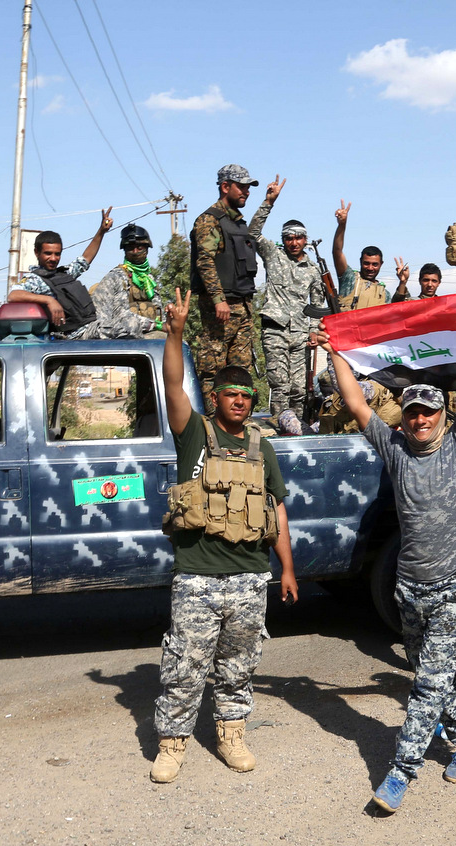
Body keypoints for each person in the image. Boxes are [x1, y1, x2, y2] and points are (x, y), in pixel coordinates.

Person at [319, 291, 456, 813]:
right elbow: (355, 403)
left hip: (451, 586)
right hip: (408, 588)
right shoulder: (394, 450)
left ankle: (401, 771)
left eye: (428, 411)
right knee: (435, 677)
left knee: (424, 688)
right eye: (413, 412)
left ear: (442, 415)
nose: (420, 419)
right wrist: (335, 353)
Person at [151, 288, 298, 784]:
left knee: (239, 664)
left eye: (246, 396)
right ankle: (172, 744)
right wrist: (174, 334)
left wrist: (288, 569)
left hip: (250, 578)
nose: (239, 401)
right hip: (197, 576)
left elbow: (275, 510)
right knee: (184, 664)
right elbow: (173, 385)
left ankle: (231, 732)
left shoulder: (262, 447)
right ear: (215, 399)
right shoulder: (193, 432)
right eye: (231, 395)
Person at [248, 175, 325, 423]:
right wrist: (269, 201)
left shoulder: (313, 270)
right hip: (276, 328)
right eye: (289, 238)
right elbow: (253, 233)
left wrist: (314, 332)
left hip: (301, 333)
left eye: (298, 237)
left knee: (299, 389)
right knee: (279, 385)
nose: (294, 242)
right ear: (283, 240)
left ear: (305, 239)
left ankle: (299, 429)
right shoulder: (274, 255)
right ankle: (280, 425)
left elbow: (317, 305)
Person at [189, 165, 262, 404]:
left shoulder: (238, 223)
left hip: (243, 306)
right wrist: (219, 300)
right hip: (221, 309)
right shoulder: (209, 220)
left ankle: (235, 423)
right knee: (213, 367)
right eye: (241, 187)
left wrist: (269, 202)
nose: (246, 192)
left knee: (240, 370)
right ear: (225, 187)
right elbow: (205, 261)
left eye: (248, 188)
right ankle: (210, 423)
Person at [7, 209, 114, 336]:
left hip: (92, 326)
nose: (53, 258)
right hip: (75, 335)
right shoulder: (35, 279)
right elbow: (13, 295)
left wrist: (101, 231)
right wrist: (49, 300)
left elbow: (86, 258)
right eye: (48, 253)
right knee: (128, 327)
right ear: (37, 252)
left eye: (57, 254)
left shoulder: (64, 274)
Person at [84, 223, 166, 338]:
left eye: (140, 247)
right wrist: (158, 326)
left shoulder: (149, 280)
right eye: (130, 248)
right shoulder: (116, 277)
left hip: (147, 335)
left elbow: (159, 313)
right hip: (120, 338)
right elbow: (123, 318)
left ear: (147, 249)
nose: (135, 251)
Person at [331, 201, 397, 310]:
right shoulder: (349, 278)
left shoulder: (385, 295)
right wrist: (342, 225)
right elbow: (337, 251)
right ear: (360, 261)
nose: (370, 268)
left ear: (381, 264)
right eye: (366, 263)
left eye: (374, 264)